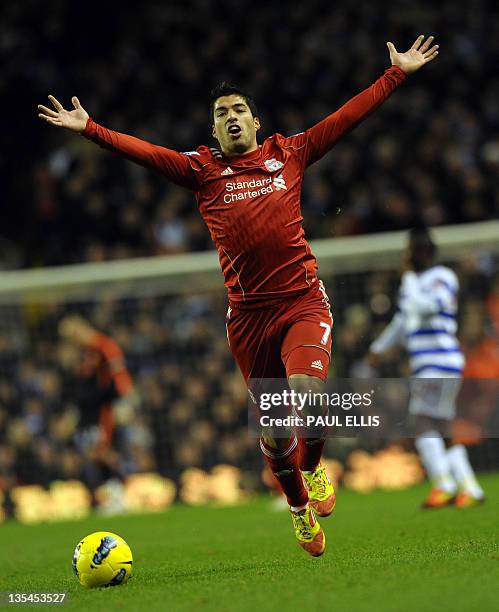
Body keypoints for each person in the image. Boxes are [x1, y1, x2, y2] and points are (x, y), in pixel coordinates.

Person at [39, 36, 439, 556]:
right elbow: (147, 153)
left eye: (239, 110)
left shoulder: (289, 153)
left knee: (311, 399)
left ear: (255, 122)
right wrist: (91, 129)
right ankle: (298, 508)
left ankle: (314, 467)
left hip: (301, 302)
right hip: (249, 319)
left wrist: (396, 75)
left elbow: (345, 119)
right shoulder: (202, 171)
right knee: (275, 433)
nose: (231, 117)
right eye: (222, 112)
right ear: (213, 130)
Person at [368, 227, 485, 508]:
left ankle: (444, 484)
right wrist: (378, 348)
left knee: (420, 422)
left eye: (413, 250)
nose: (408, 256)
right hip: (431, 364)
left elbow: (426, 308)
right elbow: (403, 321)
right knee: (442, 428)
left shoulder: (442, 277)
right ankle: (470, 488)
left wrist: (408, 277)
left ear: (426, 252)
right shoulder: (414, 284)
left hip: (439, 361)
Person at [58, 315, 139, 493]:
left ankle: (125, 489)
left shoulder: (104, 345)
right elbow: (78, 387)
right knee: (93, 454)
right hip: (88, 413)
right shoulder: (80, 354)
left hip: (107, 409)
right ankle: (106, 492)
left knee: (109, 451)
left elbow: (119, 373)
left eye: (72, 334)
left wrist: (127, 401)